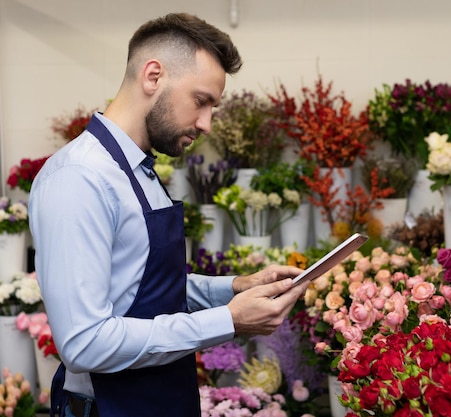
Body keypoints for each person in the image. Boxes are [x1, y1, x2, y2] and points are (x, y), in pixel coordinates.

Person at [28, 13, 305, 417]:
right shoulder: (79, 178)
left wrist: (235, 287)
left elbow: (141, 287)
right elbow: (85, 343)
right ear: (153, 76)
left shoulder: (140, 170)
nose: (208, 123)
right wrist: (227, 321)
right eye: (201, 101)